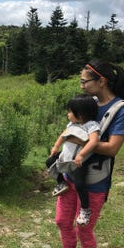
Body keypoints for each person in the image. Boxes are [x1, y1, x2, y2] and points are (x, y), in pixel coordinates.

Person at [43, 60, 124, 248]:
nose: (82, 86)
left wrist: (82, 142)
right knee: (63, 221)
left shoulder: (121, 111)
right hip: (71, 176)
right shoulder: (89, 104)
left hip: (94, 181)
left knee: (84, 228)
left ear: (101, 81)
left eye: (85, 81)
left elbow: (113, 148)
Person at [46, 94, 100, 226]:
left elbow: (93, 141)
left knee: (80, 184)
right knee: (49, 161)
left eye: (70, 111)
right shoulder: (71, 123)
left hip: (79, 162)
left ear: (80, 115)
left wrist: (81, 155)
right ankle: (61, 183)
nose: (68, 114)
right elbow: (63, 135)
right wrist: (56, 146)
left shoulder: (91, 125)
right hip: (66, 156)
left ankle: (85, 209)